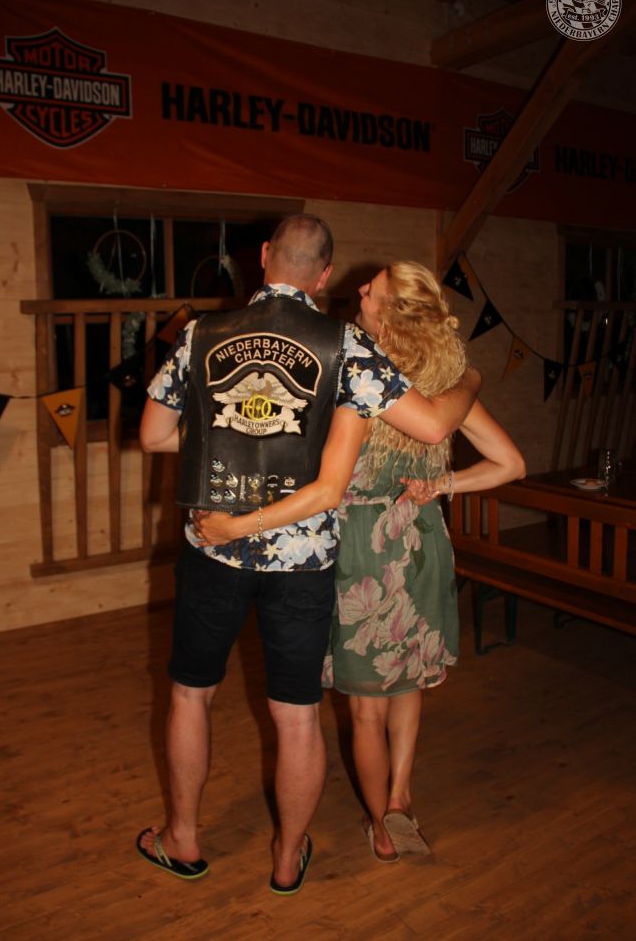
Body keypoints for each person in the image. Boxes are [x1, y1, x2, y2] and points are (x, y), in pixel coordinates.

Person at [137, 218, 480, 895]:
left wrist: (231, 435)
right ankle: (288, 856)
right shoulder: (346, 344)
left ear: (264, 258)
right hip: (302, 560)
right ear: (323, 276)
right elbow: (437, 423)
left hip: (213, 546)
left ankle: (181, 839)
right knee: (295, 714)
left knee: (189, 695)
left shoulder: (201, 334)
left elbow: (153, 435)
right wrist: (469, 376)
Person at [197, 260, 525, 865]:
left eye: (370, 292)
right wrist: (443, 485)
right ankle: (400, 797)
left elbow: (319, 481)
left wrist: (241, 519)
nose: (358, 292)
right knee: (408, 686)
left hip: (360, 549)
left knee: (366, 707)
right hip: (420, 544)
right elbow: (511, 464)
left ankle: (381, 824)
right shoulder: (445, 386)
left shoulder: (352, 381)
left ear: (389, 318)